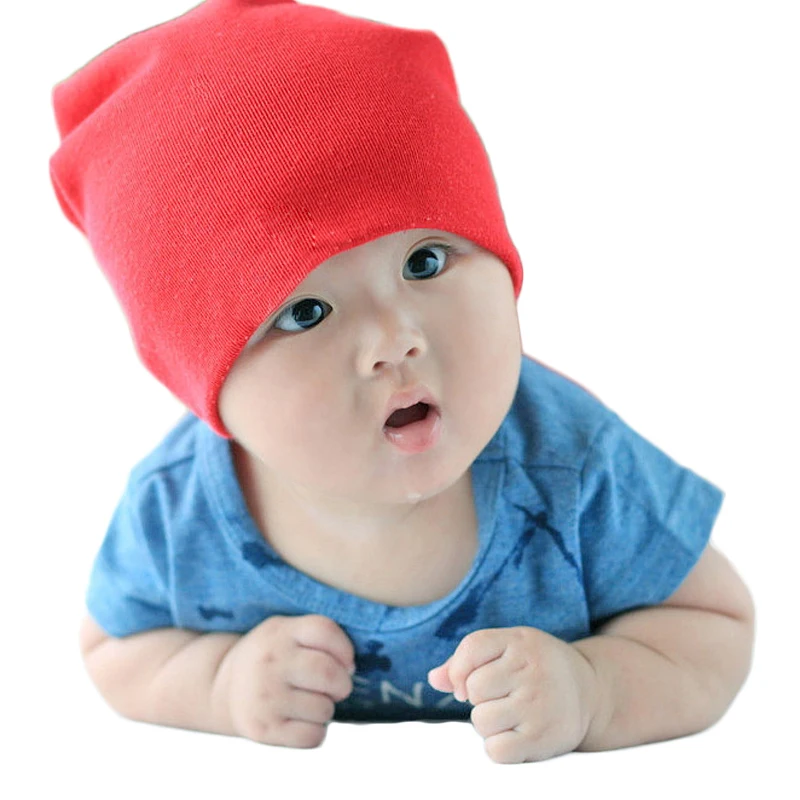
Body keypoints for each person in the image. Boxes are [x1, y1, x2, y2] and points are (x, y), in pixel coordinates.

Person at [49, 0, 754, 764]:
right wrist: (218, 683)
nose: (394, 341)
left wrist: (597, 689)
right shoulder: (177, 511)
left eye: (425, 261)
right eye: (305, 312)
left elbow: (715, 622)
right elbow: (113, 647)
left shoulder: (573, 470)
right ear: (203, 388)